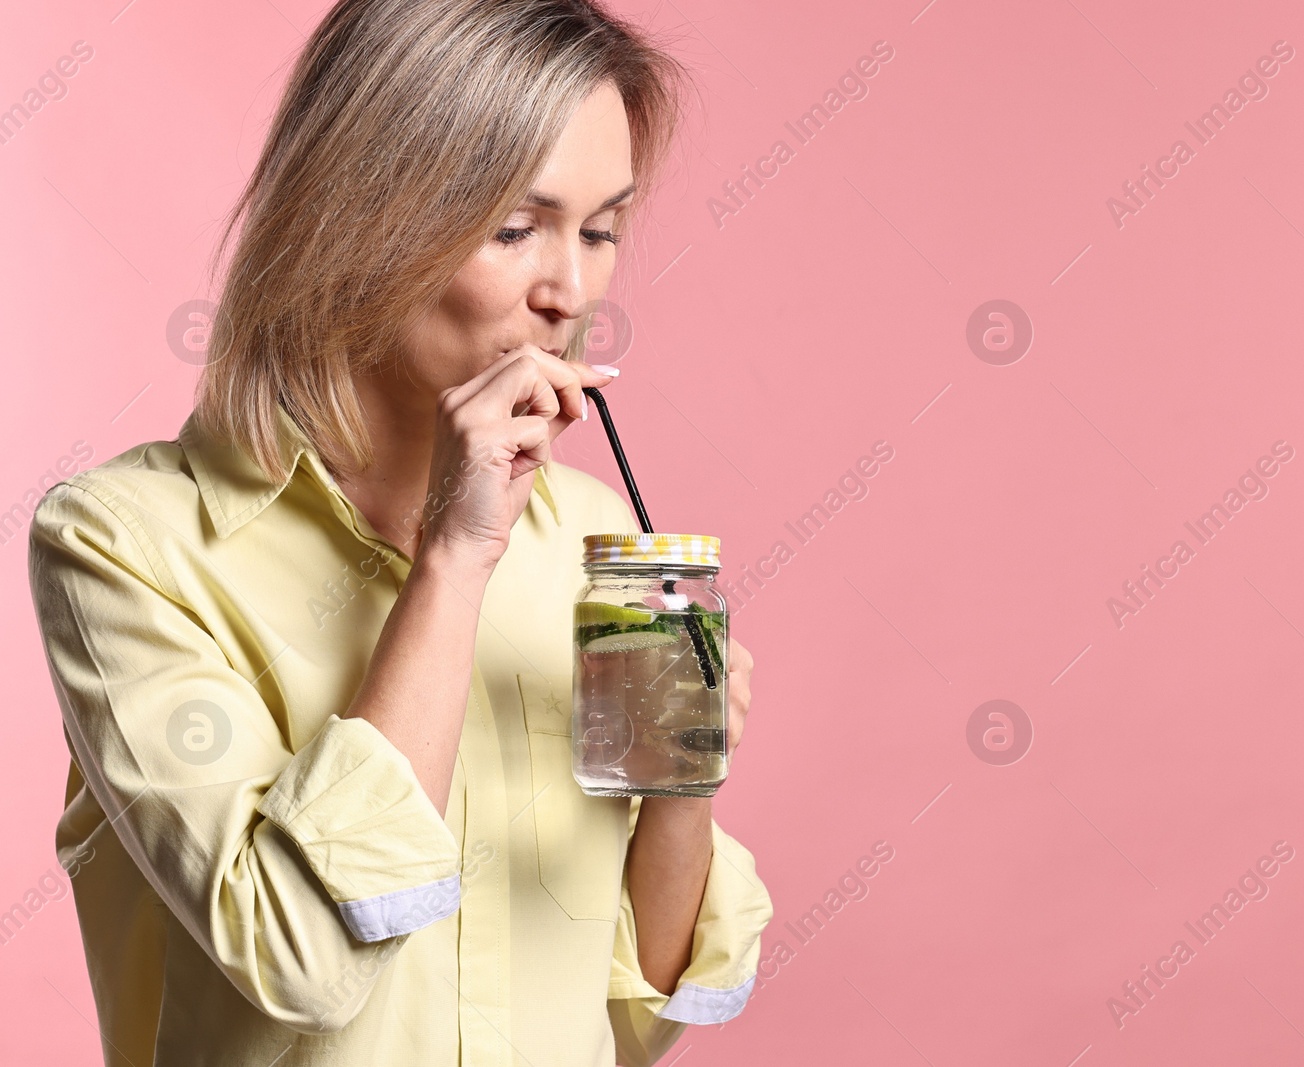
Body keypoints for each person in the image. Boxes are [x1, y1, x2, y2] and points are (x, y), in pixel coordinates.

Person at [26, 2, 771, 1064]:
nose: (570, 291)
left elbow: (634, 1016)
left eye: (601, 230)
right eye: (516, 229)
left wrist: (682, 777)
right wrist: (455, 558)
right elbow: (299, 958)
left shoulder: (592, 543)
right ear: (359, 219)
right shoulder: (127, 543)